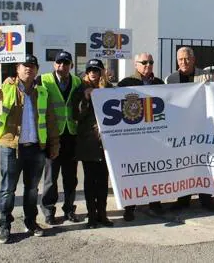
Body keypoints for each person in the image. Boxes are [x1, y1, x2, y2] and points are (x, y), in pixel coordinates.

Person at [0, 54, 60, 244]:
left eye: (33, 66)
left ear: (37, 70)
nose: (29, 68)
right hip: (11, 148)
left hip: (35, 148)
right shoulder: (5, 88)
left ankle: (31, 221)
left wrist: (54, 144)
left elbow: (50, 121)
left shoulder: (42, 92)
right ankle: (5, 225)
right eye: (25, 65)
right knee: (8, 190)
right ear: (17, 68)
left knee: (32, 189)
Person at [165, 47, 214, 212]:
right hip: (181, 129)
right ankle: (183, 199)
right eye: (180, 59)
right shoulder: (170, 79)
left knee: (205, 164)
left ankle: (206, 199)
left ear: (194, 59)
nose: (184, 62)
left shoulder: (206, 76)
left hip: (202, 127)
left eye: (187, 58)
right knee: (183, 164)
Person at [117, 53, 165, 221]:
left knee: (154, 169)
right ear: (135, 64)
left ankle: (155, 203)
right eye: (144, 62)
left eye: (151, 62)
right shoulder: (126, 83)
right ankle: (130, 207)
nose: (148, 65)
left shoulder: (159, 83)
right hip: (134, 138)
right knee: (133, 172)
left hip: (154, 136)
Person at [38, 51, 82, 225]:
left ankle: (69, 209)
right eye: (59, 63)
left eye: (65, 63)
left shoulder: (77, 81)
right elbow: (22, 87)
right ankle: (48, 210)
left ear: (71, 65)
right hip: (53, 136)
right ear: (54, 64)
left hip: (71, 134)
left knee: (71, 177)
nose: (62, 66)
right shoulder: (43, 80)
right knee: (51, 177)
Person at [72, 59, 114, 228]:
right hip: (88, 142)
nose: (93, 73)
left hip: (106, 143)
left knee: (103, 181)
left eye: (96, 70)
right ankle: (91, 216)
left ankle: (102, 214)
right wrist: (86, 98)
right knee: (90, 181)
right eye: (90, 70)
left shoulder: (109, 88)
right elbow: (76, 115)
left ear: (102, 71)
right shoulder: (80, 89)